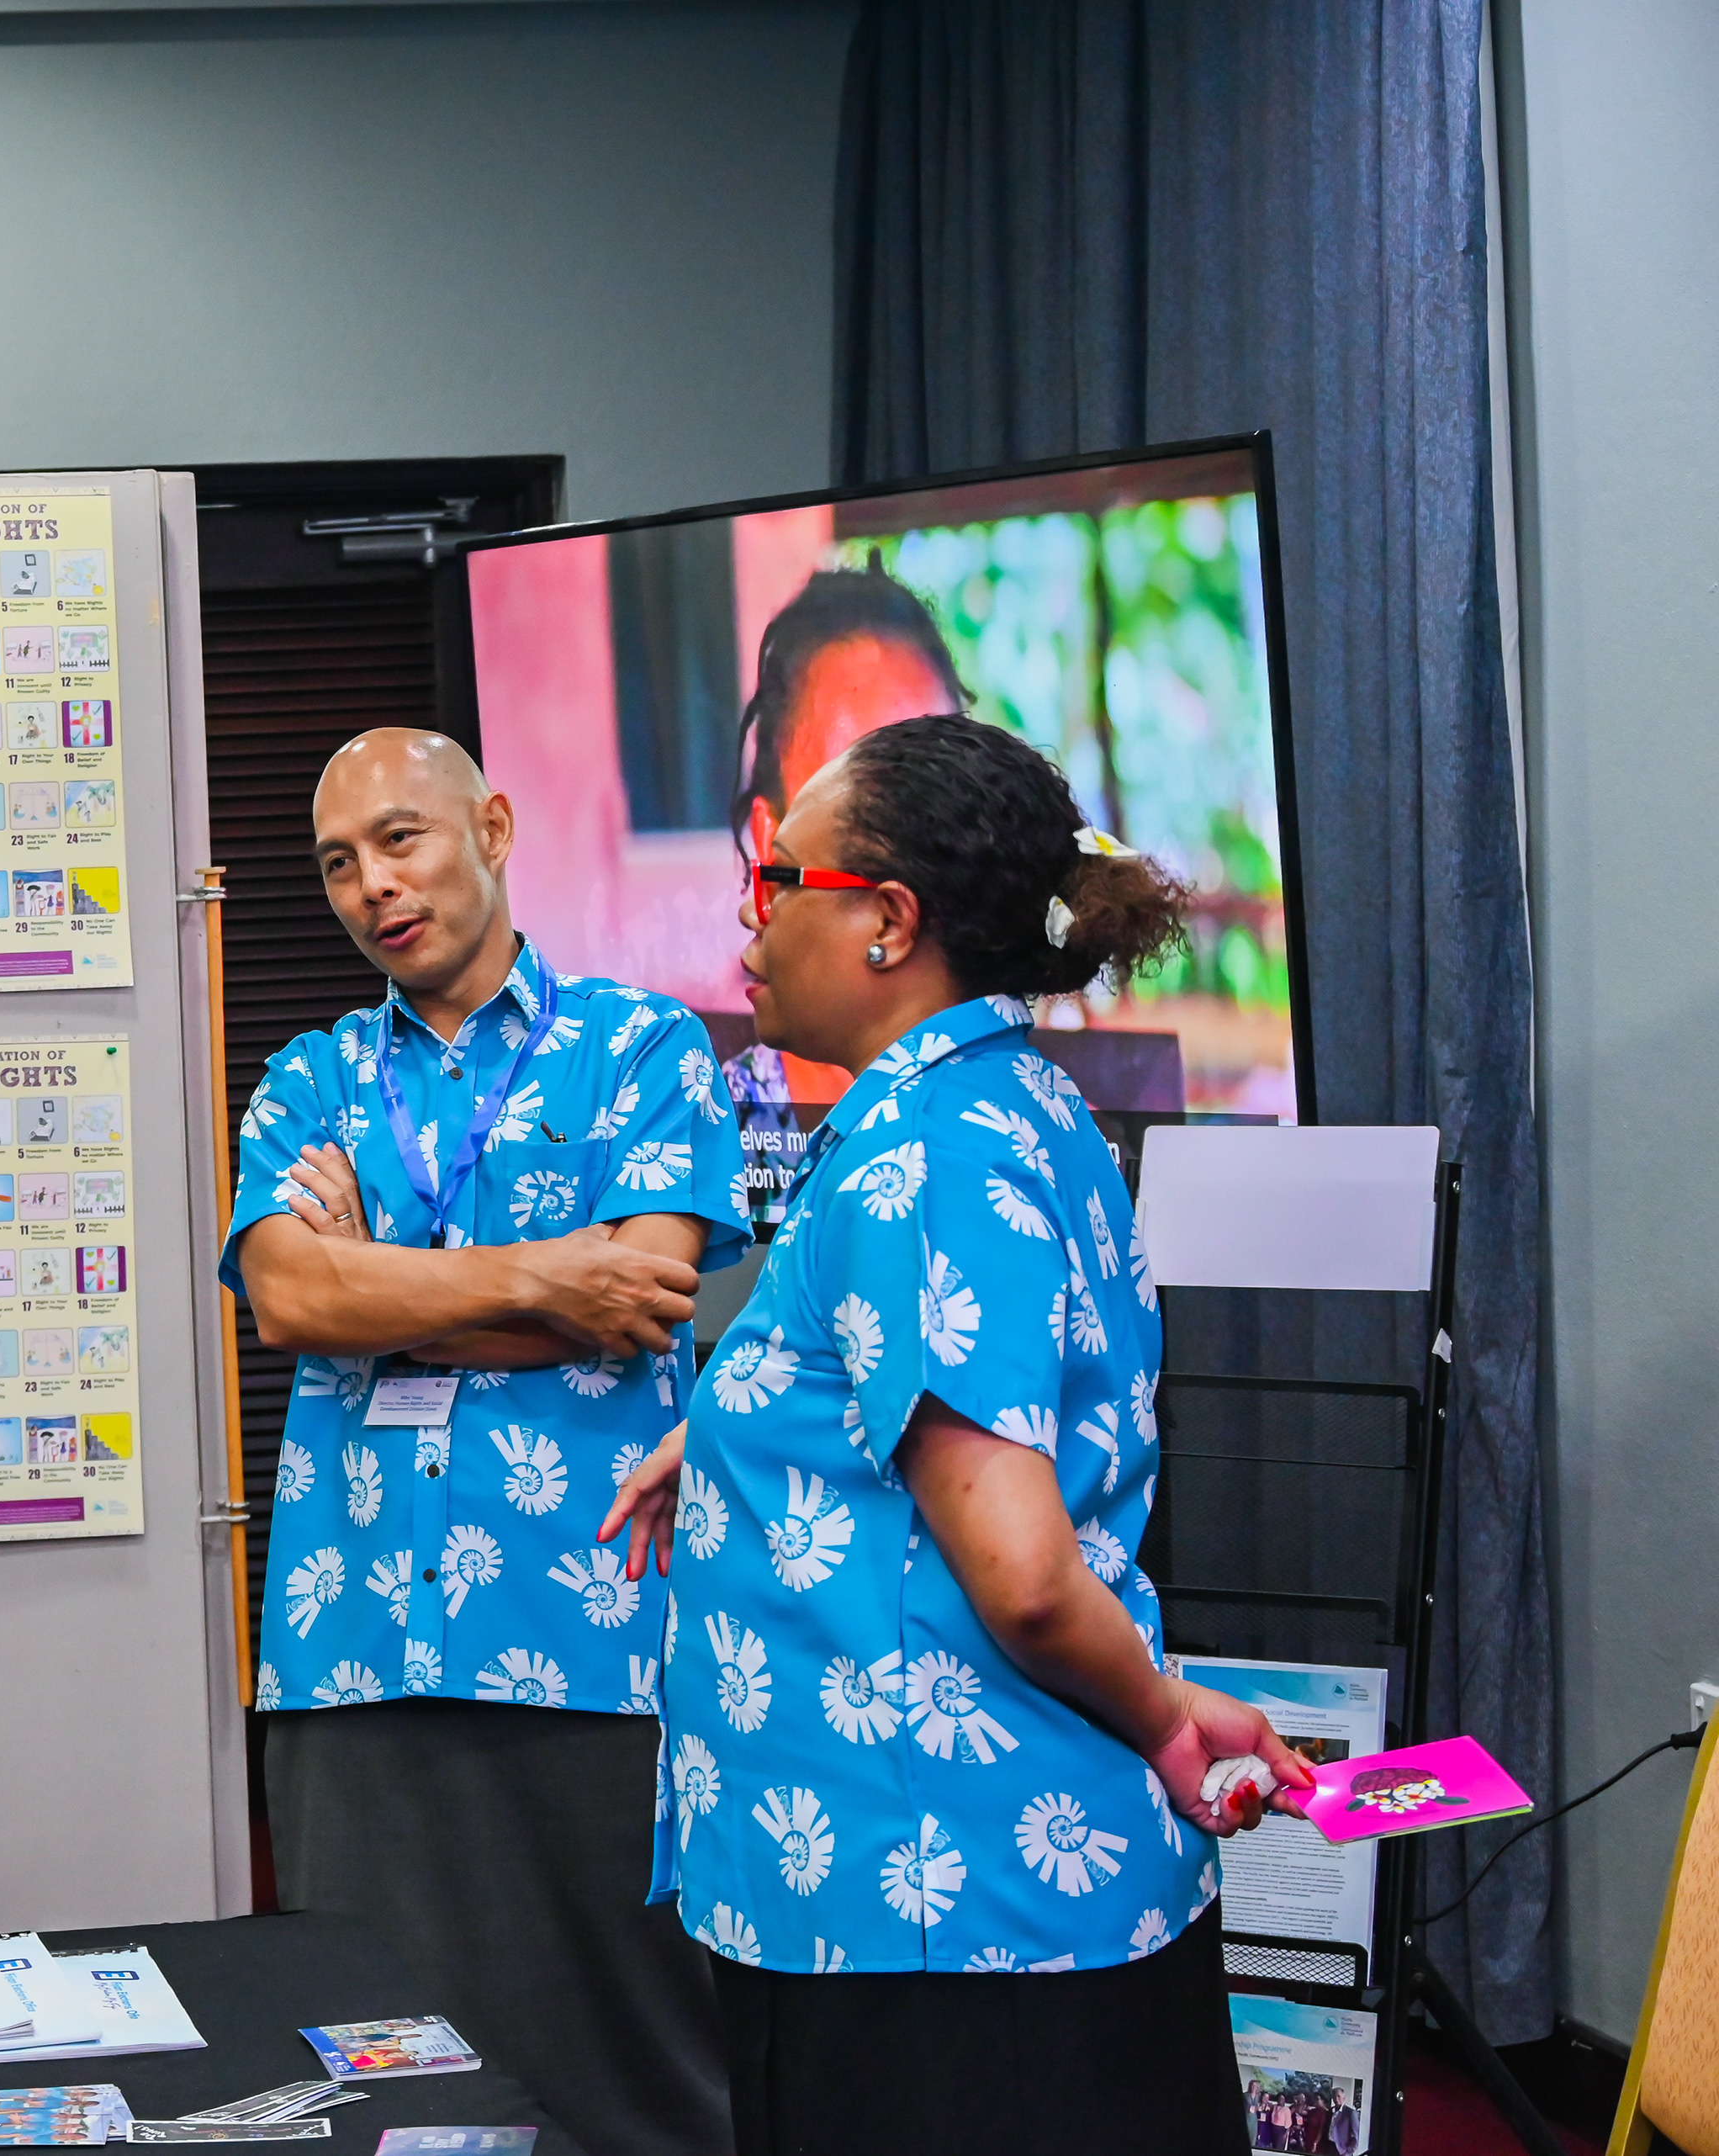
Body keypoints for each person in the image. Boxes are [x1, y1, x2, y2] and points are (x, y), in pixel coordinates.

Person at [601, 714, 1313, 2156]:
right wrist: (735, 1443)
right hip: (986, 1902)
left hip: (933, 1930)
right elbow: (942, 1420)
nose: (747, 924)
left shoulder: (921, 1159)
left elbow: (1026, 1573)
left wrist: (1170, 1722)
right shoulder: (1013, 1101)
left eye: (771, 880)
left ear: (886, 920)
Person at [225, 727, 751, 2155]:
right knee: (373, 2063)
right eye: (339, 862)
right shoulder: (311, 1074)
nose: (371, 886)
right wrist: (539, 1276)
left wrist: (381, 1286)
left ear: (494, 828)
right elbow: (285, 1294)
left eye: (400, 839)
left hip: (594, 1623)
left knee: (635, 2059)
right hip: (354, 1637)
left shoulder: (643, 1046)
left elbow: (640, 1293)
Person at [722, 562, 970, 1123]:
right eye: (858, 802)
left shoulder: (1036, 1126)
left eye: (938, 785)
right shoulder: (705, 1141)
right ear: (770, 849)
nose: (915, 843)